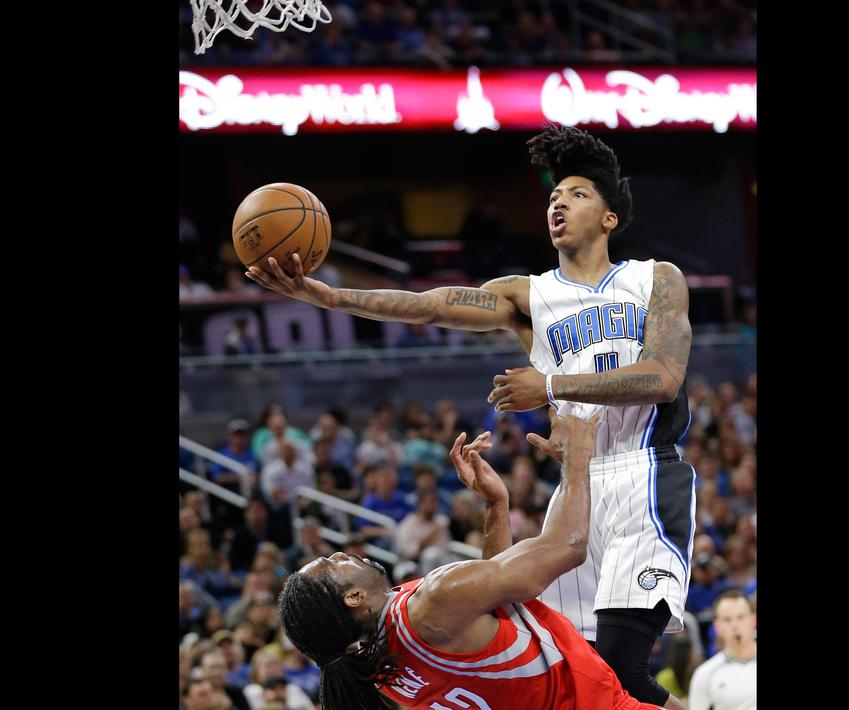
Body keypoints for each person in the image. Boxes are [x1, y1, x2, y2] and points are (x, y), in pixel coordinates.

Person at [249, 124, 695, 708]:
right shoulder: (527, 296)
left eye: (577, 193)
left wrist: (552, 383)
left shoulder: (655, 278)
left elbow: (663, 378)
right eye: (553, 195)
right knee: (586, 671)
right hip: (576, 484)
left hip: (644, 473)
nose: (558, 201)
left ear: (610, 217)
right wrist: (332, 298)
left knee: (623, 670)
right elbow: (432, 305)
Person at [277, 411, 664, 710]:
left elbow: (489, 607)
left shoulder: (381, 671)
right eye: (333, 562)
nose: (342, 553)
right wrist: (577, 456)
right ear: (354, 597)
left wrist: (496, 506)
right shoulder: (432, 603)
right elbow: (568, 546)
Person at [687, 590, 755, 710]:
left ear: (753, 620)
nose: (735, 626)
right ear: (717, 626)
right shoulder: (705, 674)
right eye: (727, 620)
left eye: (741, 617)